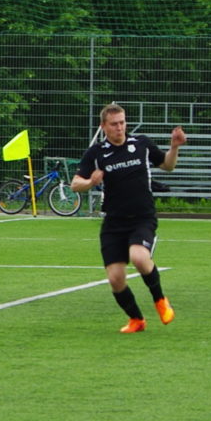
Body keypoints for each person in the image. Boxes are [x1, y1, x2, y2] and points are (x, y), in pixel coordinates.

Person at [71, 103, 185, 333]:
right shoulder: (96, 153)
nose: (120, 128)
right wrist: (90, 182)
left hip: (142, 218)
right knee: (115, 278)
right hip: (114, 222)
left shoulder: (141, 144)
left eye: (122, 122)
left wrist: (174, 147)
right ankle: (136, 320)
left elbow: (168, 165)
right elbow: (75, 184)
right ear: (104, 126)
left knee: (139, 257)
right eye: (114, 124)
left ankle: (160, 301)